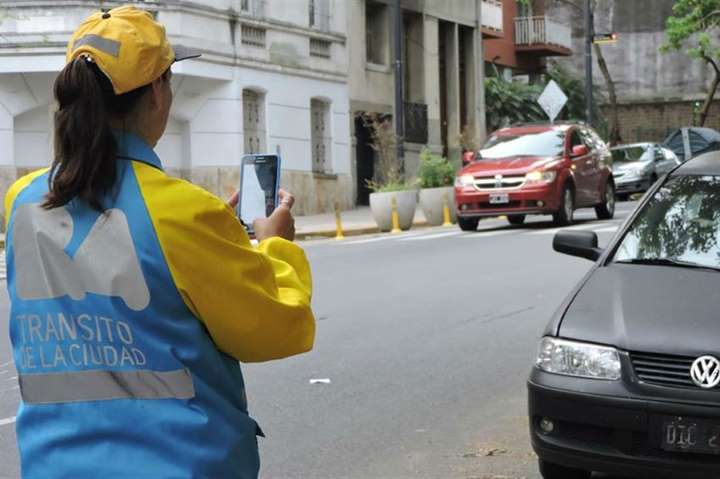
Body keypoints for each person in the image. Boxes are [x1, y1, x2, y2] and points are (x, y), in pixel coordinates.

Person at [4, 5, 315, 479]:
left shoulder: (21, 201)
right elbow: (277, 327)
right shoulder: (182, 212)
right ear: (156, 92)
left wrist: (214, 236)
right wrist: (274, 246)